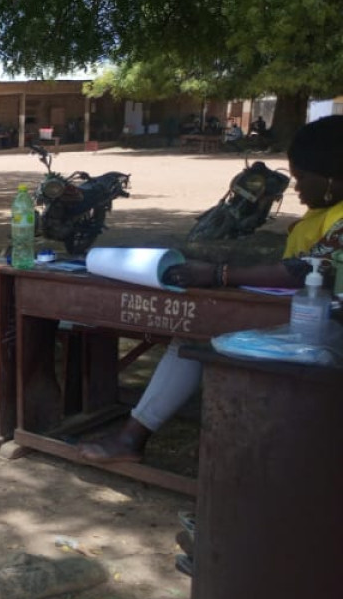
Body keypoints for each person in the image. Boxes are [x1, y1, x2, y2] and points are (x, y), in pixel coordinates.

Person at [78, 115, 343, 468]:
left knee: (197, 338)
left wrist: (220, 274)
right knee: (196, 335)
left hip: (327, 331)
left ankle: (135, 438)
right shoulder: (328, 213)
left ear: (329, 178)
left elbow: (311, 268)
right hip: (312, 317)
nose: (296, 189)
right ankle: (135, 435)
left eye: (301, 179)